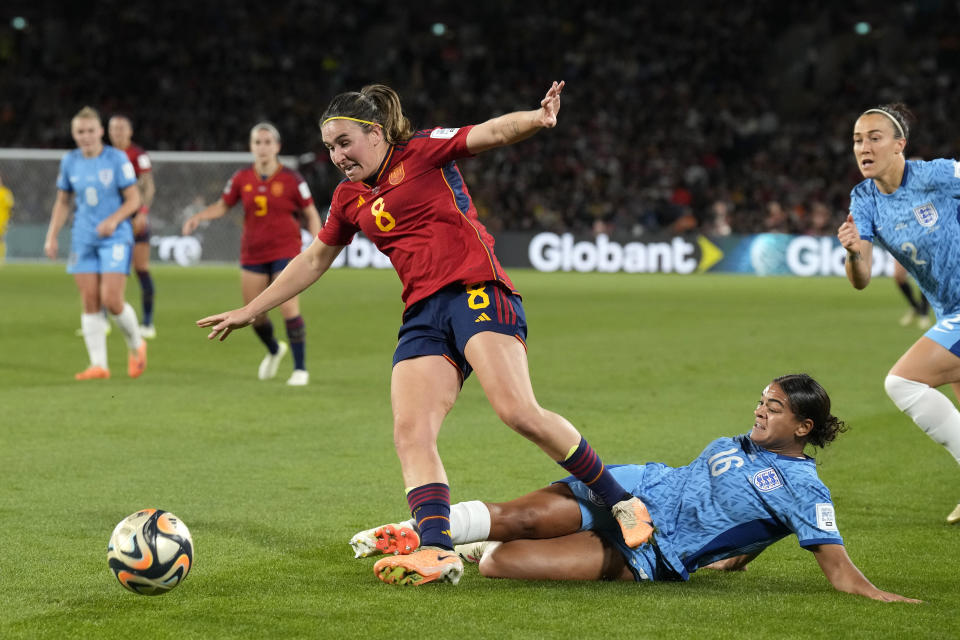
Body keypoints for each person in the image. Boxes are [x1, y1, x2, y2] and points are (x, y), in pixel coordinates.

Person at [196, 81, 653, 586]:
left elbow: (491, 132)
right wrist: (251, 308)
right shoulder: (348, 198)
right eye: (329, 147)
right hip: (422, 313)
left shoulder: (422, 150)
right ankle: (437, 550)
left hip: (477, 290)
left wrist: (537, 118)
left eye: (345, 142)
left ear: (375, 133)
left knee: (517, 411)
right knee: (411, 430)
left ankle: (621, 502)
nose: (337, 156)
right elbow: (314, 258)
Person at [351, 374, 921, 603]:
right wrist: (739, 559)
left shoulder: (807, 490)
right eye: (761, 400)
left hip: (655, 550)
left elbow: (834, 564)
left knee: (504, 563)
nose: (759, 410)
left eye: (773, 408)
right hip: (635, 488)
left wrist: (883, 597)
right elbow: (751, 514)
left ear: (803, 427)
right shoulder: (742, 444)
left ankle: (467, 546)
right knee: (517, 515)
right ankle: (421, 533)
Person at [838, 103, 960, 525]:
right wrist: (853, 253)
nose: (864, 147)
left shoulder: (937, 175)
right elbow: (861, 278)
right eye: (857, 139)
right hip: (950, 312)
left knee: (903, 381)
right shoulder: (865, 198)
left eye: (874, 137)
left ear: (899, 145)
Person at [183, 122, 322, 386]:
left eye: (268, 142)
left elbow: (311, 213)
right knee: (254, 315)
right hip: (253, 253)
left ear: (277, 147)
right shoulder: (241, 178)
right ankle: (273, 349)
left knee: (289, 306)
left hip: (287, 251)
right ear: (251, 147)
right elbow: (223, 206)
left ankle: (300, 369)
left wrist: (317, 244)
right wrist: (198, 217)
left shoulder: (292, 179)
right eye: (258, 142)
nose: (263, 147)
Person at [44, 106, 147, 380]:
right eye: (80, 131)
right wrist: (52, 235)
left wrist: (114, 220)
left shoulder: (117, 159)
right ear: (73, 134)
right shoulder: (70, 161)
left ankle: (137, 345)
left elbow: (134, 199)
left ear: (101, 131)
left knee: (112, 300)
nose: (86, 136)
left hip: (115, 236)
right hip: (83, 237)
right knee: (89, 300)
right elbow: (63, 201)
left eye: (90, 130)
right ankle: (98, 365)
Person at [108, 115, 158, 338]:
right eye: (114, 128)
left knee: (141, 268)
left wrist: (143, 213)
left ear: (130, 131)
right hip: (112, 221)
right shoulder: (104, 155)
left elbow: (148, 186)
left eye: (121, 128)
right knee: (105, 271)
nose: (117, 132)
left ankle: (147, 323)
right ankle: (99, 320)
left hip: (134, 219)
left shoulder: (138, 155)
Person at [892, 259, 931, 329]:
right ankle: (915, 307)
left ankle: (924, 313)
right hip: (902, 247)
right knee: (898, 276)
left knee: (925, 275)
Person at [0, 171, 13, 264]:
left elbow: (11, 207)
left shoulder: (5, 192)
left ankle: (1, 258)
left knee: (1, 239)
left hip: (2, 220)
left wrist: (9, 220)